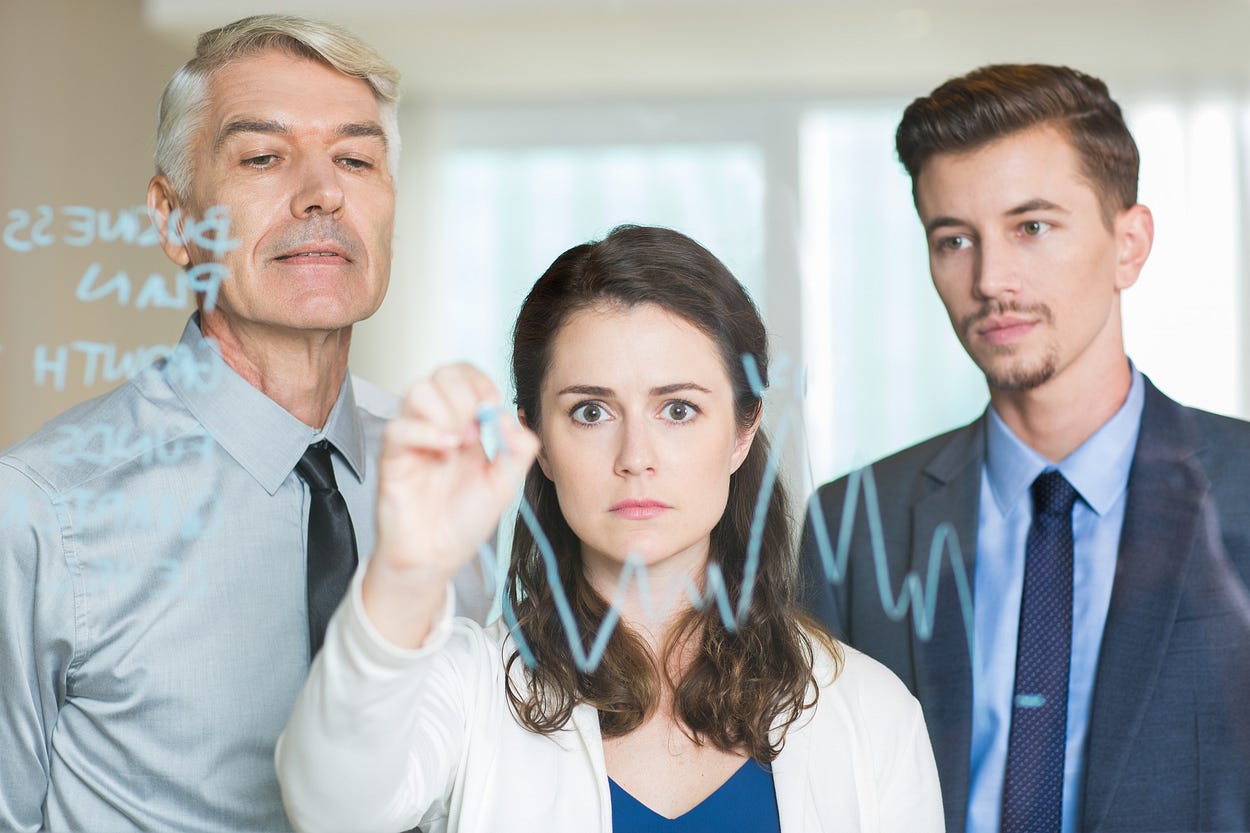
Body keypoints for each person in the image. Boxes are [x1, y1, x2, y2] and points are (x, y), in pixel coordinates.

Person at [276, 225, 943, 833]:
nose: (635, 457)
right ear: (535, 433)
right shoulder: (466, 686)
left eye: (678, 409)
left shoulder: (870, 711)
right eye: (591, 411)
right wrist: (408, 569)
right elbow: (331, 807)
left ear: (742, 430)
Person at [0, 14, 483, 832]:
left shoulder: (459, 479)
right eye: (263, 157)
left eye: (356, 159)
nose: (323, 192)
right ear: (174, 219)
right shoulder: (42, 508)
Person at [798, 63, 1250, 833]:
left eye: (1031, 227)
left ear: (1128, 244)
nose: (989, 279)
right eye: (953, 240)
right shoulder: (854, 518)